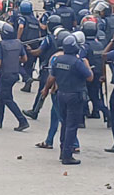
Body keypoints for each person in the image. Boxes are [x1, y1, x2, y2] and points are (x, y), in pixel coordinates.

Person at [40, 35, 93, 164]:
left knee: (64, 123)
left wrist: (46, 89)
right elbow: (90, 77)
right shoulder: (77, 62)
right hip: (75, 95)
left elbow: (52, 77)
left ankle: (62, 150)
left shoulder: (58, 60)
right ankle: (67, 156)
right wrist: (87, 64)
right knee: (72, 126)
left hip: (61, 94)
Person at [0, 23, 30, 131]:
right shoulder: (18, 43)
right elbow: (24, 59)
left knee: (7, 99)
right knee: (0, 97)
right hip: (14, 73)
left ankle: (22, 121)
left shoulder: (1, 45)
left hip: (5, 74)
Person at [24, 15, 63, 119]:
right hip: (62, 67)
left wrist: (29, 51)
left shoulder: (48, 39)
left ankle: (35, 111)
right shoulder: (65, 36)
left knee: (43, 90)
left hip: (48, 68)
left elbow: (39, 52)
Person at [81, 20, 110, 121]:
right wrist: (103, 74)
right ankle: (96, 112)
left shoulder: (85, 46)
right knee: (96, 95)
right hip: (98, 73)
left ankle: (85, 113)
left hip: (88, 74)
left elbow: (82, 60)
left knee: (85, 94)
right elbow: (103, 60)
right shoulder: (99, 45)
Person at [17, 0, 40, 92]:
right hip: (34, 44)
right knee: (29, 65)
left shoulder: (23, 18)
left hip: (24, 43)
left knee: (15, 61)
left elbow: (21, 27)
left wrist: (18, 39)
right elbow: (39, 33)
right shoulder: (35, 20)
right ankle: (27, 85)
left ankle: (26, 78)